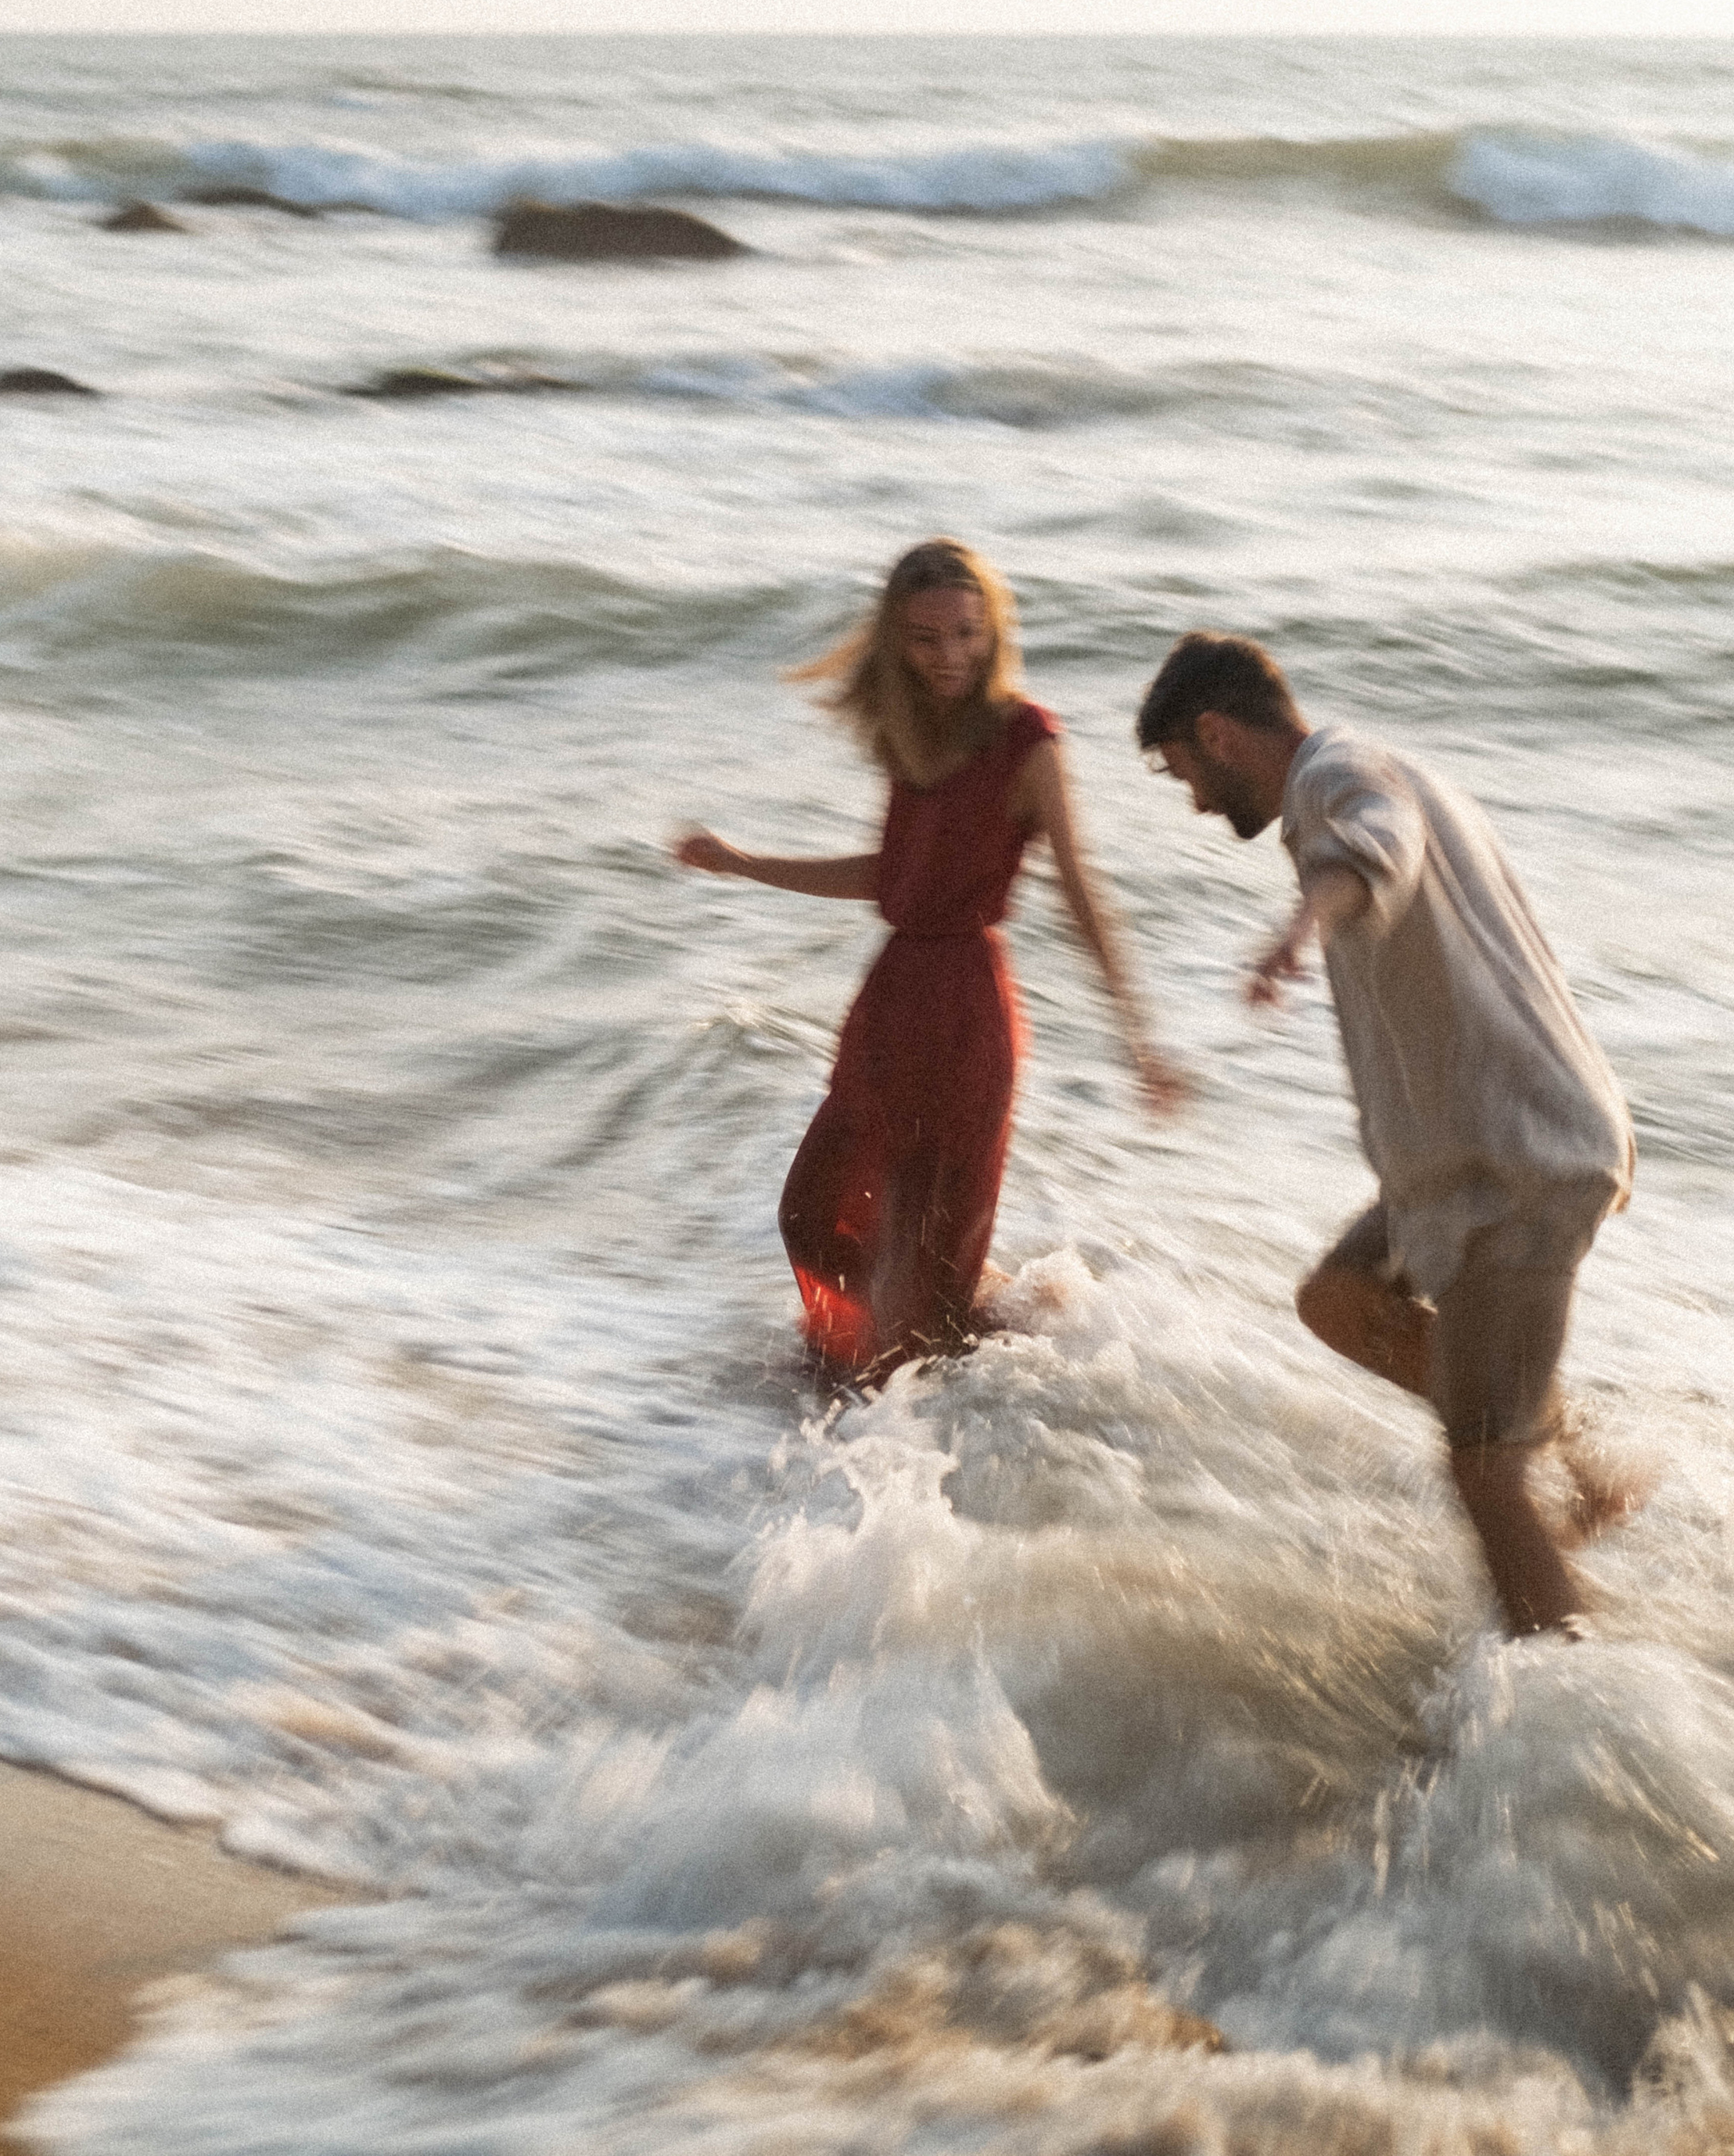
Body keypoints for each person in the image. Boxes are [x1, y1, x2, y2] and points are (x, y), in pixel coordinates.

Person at [1136, 631, 1639, 1639]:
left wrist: (1298, 927)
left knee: (1479, 1467)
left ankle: (1565, 1692)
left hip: (1518, 1163)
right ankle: (1577, 1445)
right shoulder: (1372, 764)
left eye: (1181, 771)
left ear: (1215, 733)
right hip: (1460, 1163)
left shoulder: (1337, 775)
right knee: (1341, 1298)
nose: (1190, 799)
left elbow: (1378, 846)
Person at [677, 539, 1183, 1381]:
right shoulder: (912, 735)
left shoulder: (1027, 738)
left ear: (993, 631)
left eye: (966, 634)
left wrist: (1138, 1038)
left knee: (924, 1265)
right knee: (815, 1216)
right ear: (895, 643)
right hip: (889, 1005)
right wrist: (742, 864)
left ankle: (960, 1399)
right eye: (926, 638)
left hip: (964, 1017)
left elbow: (1080, 891)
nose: (950, 655)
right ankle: (1011, 1329)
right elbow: (893, 879)